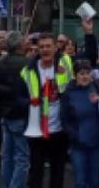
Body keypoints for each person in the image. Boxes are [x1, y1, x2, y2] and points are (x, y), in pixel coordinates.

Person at [20, 33, 74, 188]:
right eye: (41, 47)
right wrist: (30, 103)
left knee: (58, 173)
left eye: (48, 46)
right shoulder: (27, 70)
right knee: (35, 173)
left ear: (56, 47)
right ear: (37, 49)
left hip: (59, 129)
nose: (45, 50)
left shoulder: (66, 62)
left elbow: (89, 61)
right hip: (36, 129)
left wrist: (89, 34)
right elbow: (18, 97)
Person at [0, 31, 33, 188]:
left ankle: (7, 184)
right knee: (22, 157)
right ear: (21, 45)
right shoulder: (28, 64)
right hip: (21, 114)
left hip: (5, 114)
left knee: (7, 156)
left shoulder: (0, 62)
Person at [61, 62, 99, 188]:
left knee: (95, 181)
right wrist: (75, 136)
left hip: (97, 144)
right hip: (78, 145)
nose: (85, 77)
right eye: (82, 74)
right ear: (76, 76)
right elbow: (64, 119)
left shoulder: (96, 87)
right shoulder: (69, 94)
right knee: (80, 181)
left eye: (87, 74)